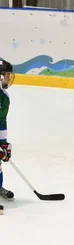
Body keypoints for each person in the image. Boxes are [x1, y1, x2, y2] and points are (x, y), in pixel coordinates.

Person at [0, 60, 15, 202]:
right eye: (6, 75)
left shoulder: (4, 98)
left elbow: (1, 122)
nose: (9, 78)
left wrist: (3, 144)